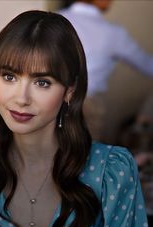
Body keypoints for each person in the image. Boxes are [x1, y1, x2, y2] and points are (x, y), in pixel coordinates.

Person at [0, 11, 149, 227]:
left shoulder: (113, 172)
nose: (21, 98)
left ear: (70, 90)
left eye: (42, 82)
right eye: (9, 77)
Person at [59, 0, 153, 141]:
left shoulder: (53, 21)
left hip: (50, 98)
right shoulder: (112, 33)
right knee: (85, 158)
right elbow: (147, 65)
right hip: (87, 105)